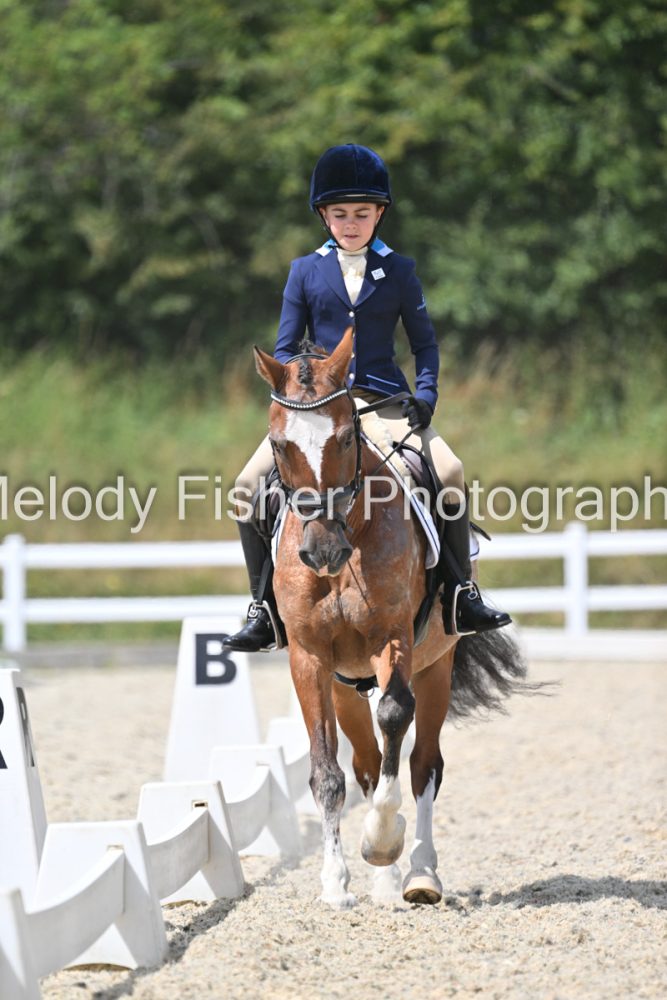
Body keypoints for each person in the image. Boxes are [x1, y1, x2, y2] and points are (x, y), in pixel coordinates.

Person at [223, 143, 511, 652]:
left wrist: (425, 396)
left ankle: (461, 593)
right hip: (319, 410)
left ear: (379, 214)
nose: (351, 223)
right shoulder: (304, 271)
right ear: (324, 216)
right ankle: (262, 608)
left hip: (385, 404)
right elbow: (285, 349)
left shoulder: (399, 270)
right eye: (340, 214)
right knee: (246, 486)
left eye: (361, 213)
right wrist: (305, 388)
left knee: (450, 471)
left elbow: (424, 344)